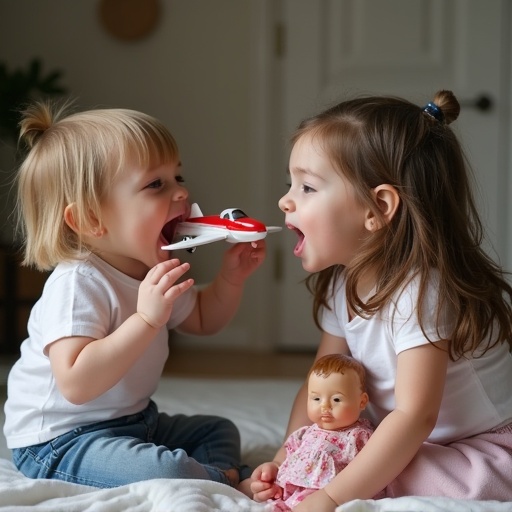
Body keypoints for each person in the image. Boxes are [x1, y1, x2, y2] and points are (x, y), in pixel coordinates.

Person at [251, 90, 512, 511]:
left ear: (378, 208)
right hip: (416, 438)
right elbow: (320, 382)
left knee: (380, 468)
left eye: (308, 187)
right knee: (348, 453)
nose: (285, 200)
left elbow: (414, 417)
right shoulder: (343, 284)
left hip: (482, 447)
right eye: (290, 184)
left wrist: (331, 496)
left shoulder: (421, 293)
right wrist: (288, 460)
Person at [3, 101, 266, 495]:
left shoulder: (152, 270)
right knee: (168, 471)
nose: (182, 191)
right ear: (92, 219)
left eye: (177, 176)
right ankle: (222, 479)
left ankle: (220, 473)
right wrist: (145, 320)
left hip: (136, 419)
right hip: (61, 440)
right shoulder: (78, 283)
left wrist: (231, 279)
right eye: (156, 184)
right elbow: (76, 382)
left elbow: (202, 320)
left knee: (218, 428)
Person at [260, 354, 375, 511]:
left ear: (362, 402)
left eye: (336, 400)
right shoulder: (305, 433)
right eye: (316, 399)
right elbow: (289, 457)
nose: (324, 406)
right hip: (293, 493)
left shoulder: (359, 436)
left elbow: (369, 469)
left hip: (330, 497)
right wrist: (274, 468)